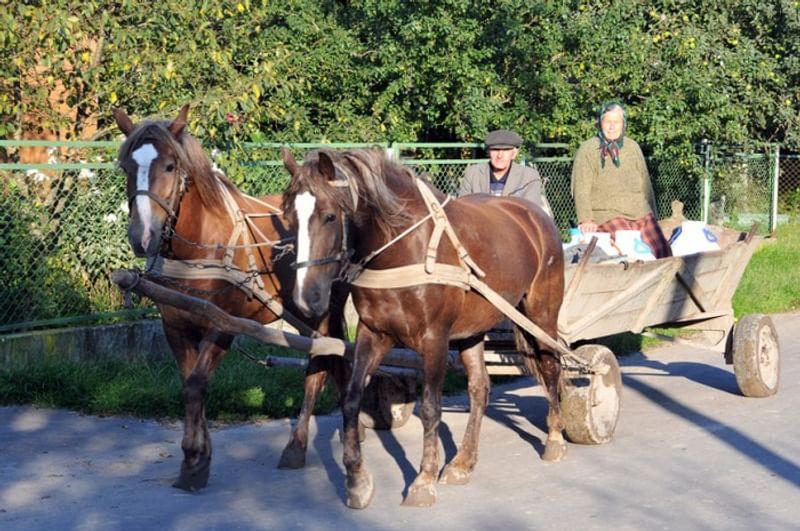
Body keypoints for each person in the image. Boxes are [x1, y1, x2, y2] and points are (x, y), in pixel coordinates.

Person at [570, 103, 657, 234]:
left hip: (640, 213)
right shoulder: (588, 149)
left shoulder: (633, 147)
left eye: (616, 122)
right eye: (607, 122)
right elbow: (581, 188)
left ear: (623, 124)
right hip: (607, 215)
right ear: (600, 124)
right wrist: (586, 219)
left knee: (664, 252)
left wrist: (654, 216)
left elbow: (646, 184)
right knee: (627, 250)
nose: (612, 127)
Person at [459, 129, 552, 215]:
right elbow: (462, 208)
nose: (500, 155)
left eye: (506, 150)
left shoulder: (529, 177)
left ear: (514, 153)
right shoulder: (473, 173)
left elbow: (530, 212)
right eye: (495, 150)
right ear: (488, 152)